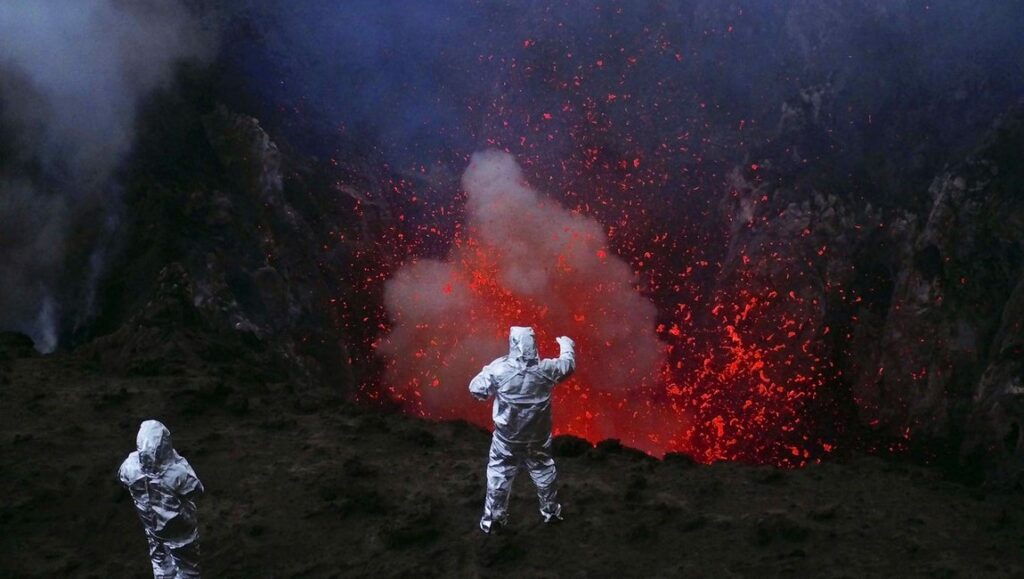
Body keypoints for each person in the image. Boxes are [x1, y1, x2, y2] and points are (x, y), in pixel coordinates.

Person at [469, 326, 576, 533]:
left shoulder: (500, 371)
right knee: (544, 471)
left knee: (499, 475)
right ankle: (551, 512)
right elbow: (568, 365)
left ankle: (493, 521)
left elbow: (476, 388)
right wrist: (566, 346)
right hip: (537, 439)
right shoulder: (546, 370)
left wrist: (491, 369)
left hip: (506, 439)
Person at [118, 420, 204, 578]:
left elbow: (123, 479)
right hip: (181, 533)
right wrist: (177, 459)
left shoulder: (130, 467)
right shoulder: (177, 473)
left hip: (152, 530)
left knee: (161, 566)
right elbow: (196, 489)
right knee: (187, 570)